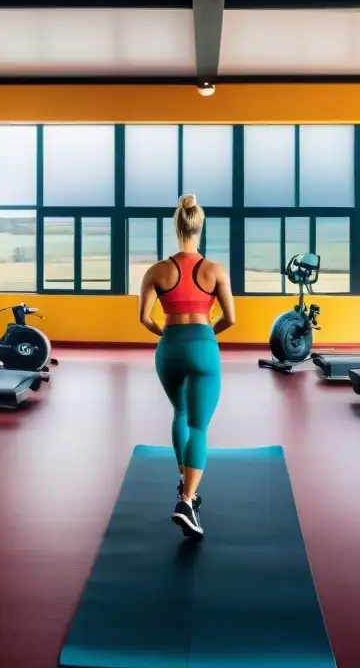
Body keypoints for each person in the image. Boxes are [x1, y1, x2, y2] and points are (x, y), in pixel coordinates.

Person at [138, 194, 235, 539]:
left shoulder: (157, 270)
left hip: (170, 346)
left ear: (176, 225)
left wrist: (167, 334)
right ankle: (187, 500)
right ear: (199, 226)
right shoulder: (215, 269)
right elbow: (230, 318)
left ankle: (185, 483)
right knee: (199, 426)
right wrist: (207, 333)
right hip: (203, 344)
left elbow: (144, 318)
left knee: (179, 414)